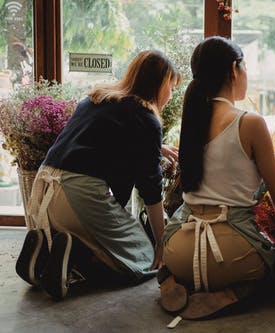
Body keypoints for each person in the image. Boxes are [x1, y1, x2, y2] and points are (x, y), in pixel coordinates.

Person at [159, 36, 275, 320]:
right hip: (231, 257)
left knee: (176, 262)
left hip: (180, 250)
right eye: (245, 68)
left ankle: (170, 281)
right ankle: (231, 293)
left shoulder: (192, 121)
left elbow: (232, 166)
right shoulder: (251, 122)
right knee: (272, 268)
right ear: (234, 69)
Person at [15, 50, 180, 300]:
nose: (171, 94)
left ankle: (47, 253)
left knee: (103, 238)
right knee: (143, 257)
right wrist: (160, 244)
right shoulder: (146, 119)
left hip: (45, 189)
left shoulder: (97, 97)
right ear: (158, 84)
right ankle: (75, 262)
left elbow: (97, 141)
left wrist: (157, 148)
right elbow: (151, 188)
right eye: (171, 86)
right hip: (79, 195)